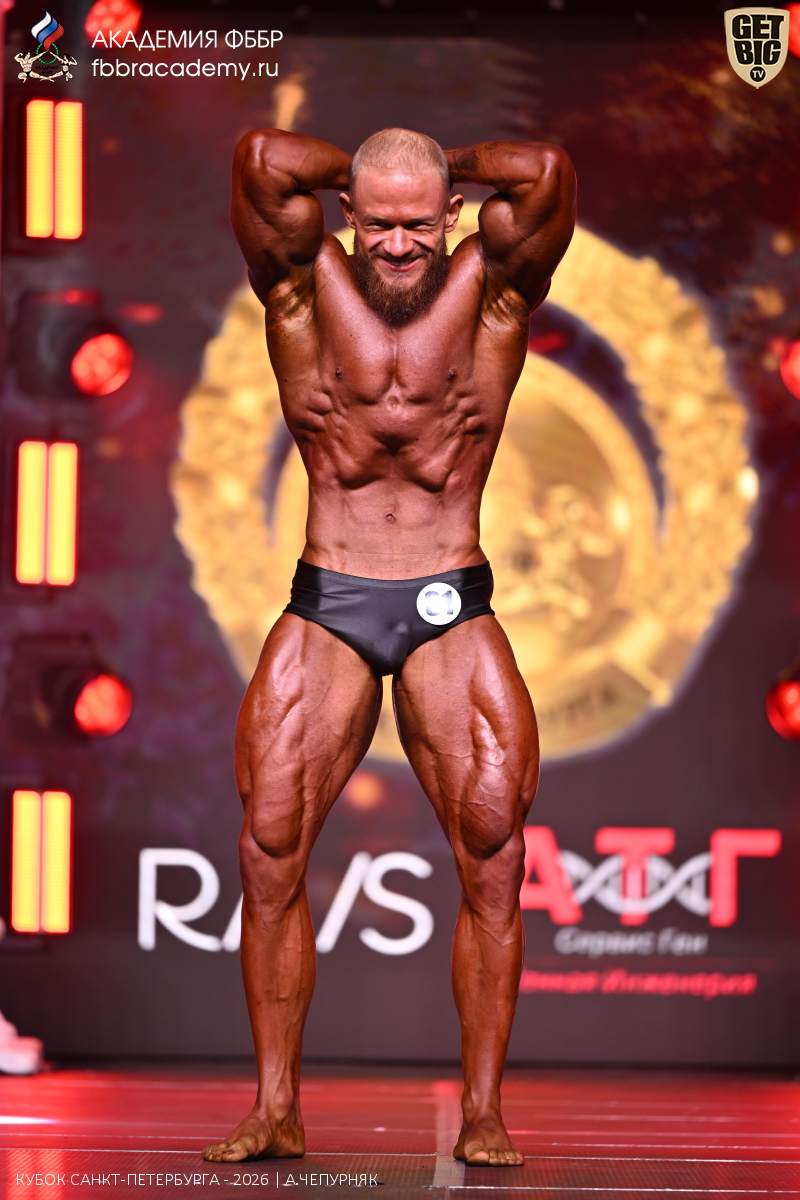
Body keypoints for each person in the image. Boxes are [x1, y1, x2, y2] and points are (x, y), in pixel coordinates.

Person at [202, 127, 576, 1167]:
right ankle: (275, 1107)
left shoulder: (493, 293)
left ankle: (483, 1112)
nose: (401, 243)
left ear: (451, 213)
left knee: (494, 851)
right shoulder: (299, 286)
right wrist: (367, 172)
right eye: (378, 223)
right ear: (347, 216)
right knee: (268, 843)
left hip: (447, 594)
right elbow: (261, 158)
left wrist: (440, 165)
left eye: (420, 222)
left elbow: (546, 173)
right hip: (332, 593)